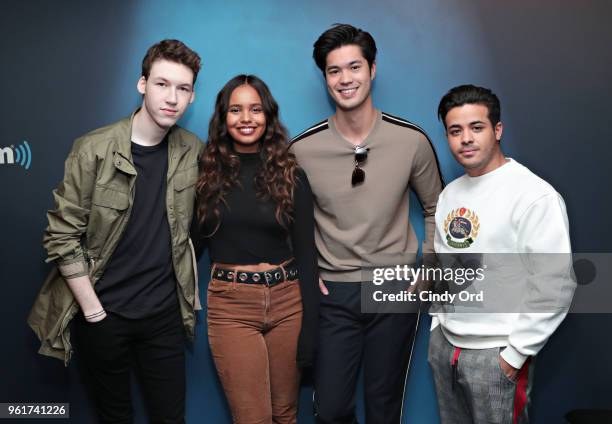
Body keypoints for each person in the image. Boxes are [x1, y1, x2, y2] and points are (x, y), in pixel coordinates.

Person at [28, 39, 203, 424]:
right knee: (114, 416)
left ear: (192, 96)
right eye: (162, 84)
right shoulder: (93, 148)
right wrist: (94, 314)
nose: (172, 97)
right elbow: (61, 236)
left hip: (164, 317)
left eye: (183, 88)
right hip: (105, 313)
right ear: (142, 84)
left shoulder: (193, 150)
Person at [289, 24, 443, 423]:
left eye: (353, 67)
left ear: (372, 69)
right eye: (334, 70)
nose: (345, 79)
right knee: (332, 409)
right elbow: (283, 220)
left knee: (384, 406)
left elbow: (438, 209)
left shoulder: (411, 141)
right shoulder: (302, 150)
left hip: (394, 288)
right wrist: (306, 276)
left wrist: (426, 274)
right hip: (333, 294)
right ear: (325, 78)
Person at [429, 84, 576, 424]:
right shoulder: (450, 194)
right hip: (446, 348)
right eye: (455, 131)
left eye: (476, 127)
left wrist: (516, 354)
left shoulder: (533, 195)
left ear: (497, 130)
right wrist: (438, 324)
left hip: (498, 353)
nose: (466, 138)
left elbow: (555, 283)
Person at [195, 74, 318, 424]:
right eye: (236, 110)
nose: (246, 118)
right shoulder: (205, 175)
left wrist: (311, 326)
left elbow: (308, 254)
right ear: (223, 118)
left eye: (255, 109)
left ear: (268, 116)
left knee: (286, 414)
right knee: (254, 418)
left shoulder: (291, 174)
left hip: (288, 301)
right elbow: (188, 244)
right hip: (231, 305)